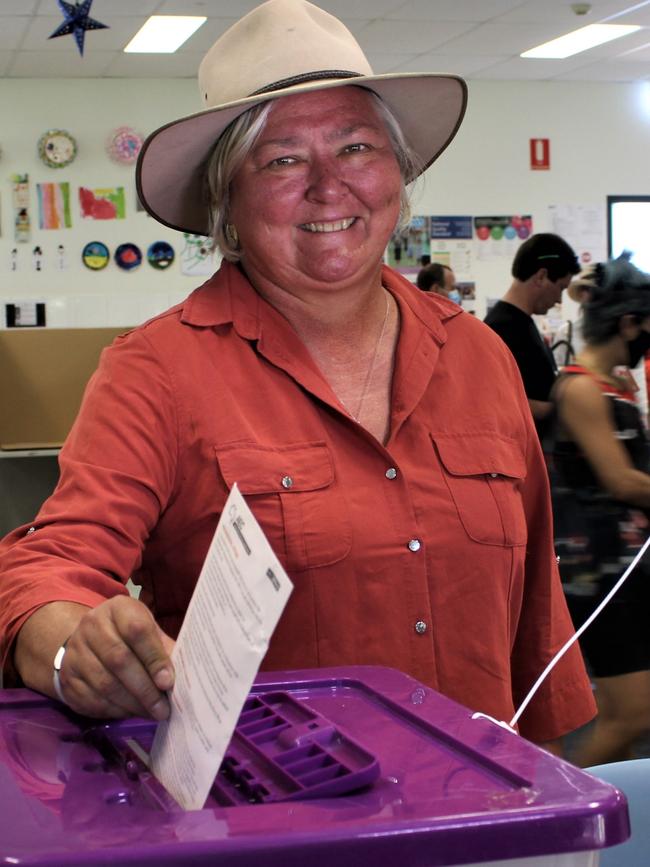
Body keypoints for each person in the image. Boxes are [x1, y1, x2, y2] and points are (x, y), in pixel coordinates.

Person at [0, 0, 595, 750]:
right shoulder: (158, 371)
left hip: (481, 818)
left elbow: (535, 610)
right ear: (227, 200)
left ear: (398, 174)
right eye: (282, 158)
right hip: (273, 829)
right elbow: (48, 567)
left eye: (356, 148)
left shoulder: (478, 355)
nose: (328, 185)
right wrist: (70, 648)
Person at [550, 256, 650, 766]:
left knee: (630, 722)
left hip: (629, 567)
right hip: (601, 574)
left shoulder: (613, 385)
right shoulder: (582, 388)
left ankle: (615, 832)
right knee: (630, 716)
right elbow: (620, 480)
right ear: (628, 323)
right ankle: (558, 817)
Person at [484, 233, 580, 444]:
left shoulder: (521, 322)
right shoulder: (501, 327)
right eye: (561, 288)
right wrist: (560, 404)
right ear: (541, 276)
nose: (558, 299)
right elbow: (491, 399)